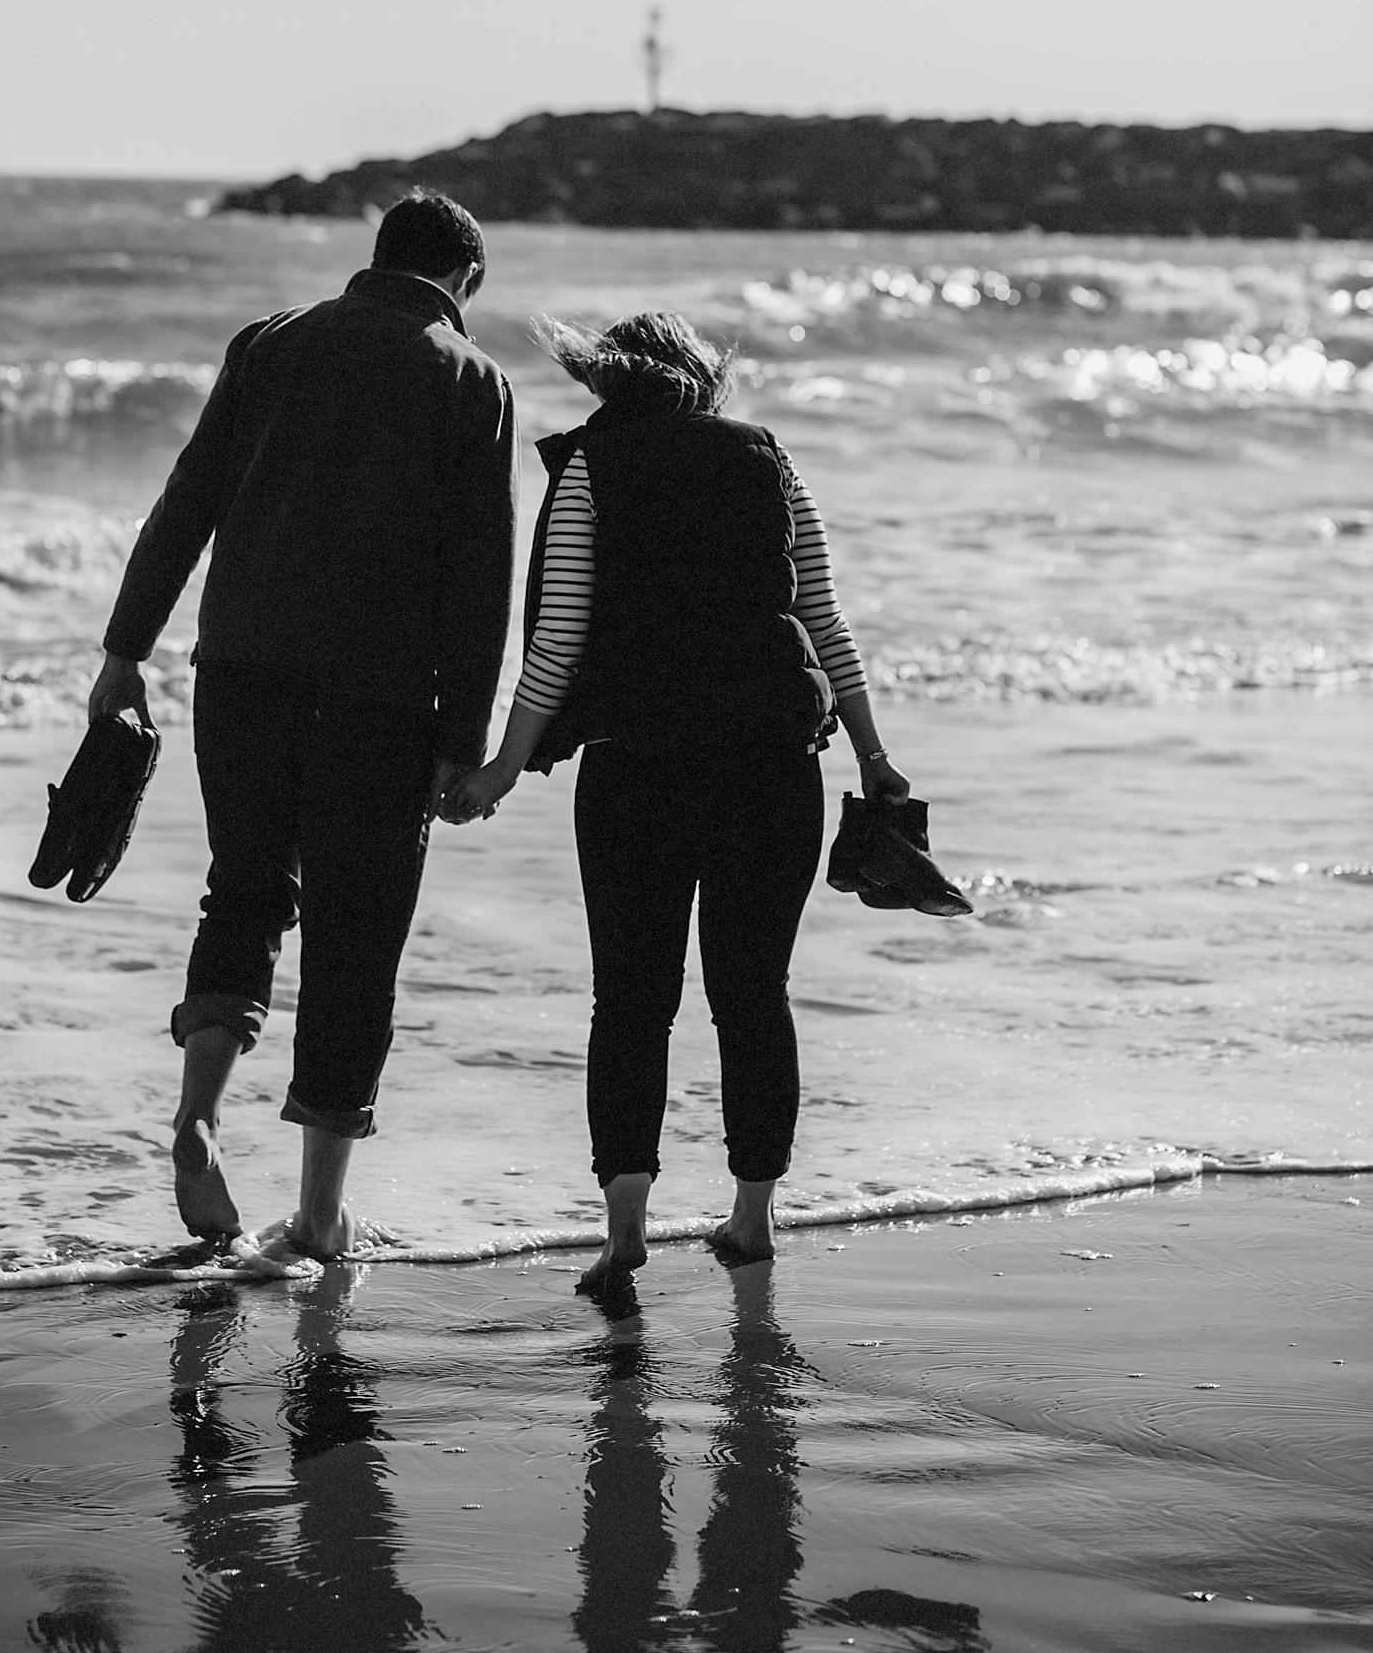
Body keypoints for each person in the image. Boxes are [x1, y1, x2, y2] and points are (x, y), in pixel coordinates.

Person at [89, 191, 517, 1259]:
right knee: (354, 940)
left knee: (241, 889)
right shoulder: (469, 379)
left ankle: (195, 1115)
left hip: (237, 675)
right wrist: (464, 741)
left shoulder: (269, 343)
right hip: (379, 699)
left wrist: (122, 652)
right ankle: (320, 1214)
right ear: (462, 283)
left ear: (375, 259)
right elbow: (479, 579)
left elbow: (185, 502)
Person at [444, 310, 906, 1294]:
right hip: (771, 765)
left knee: (632, 1002)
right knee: (751, 995)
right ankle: (749, 1219)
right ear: (704, 379)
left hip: (637, 771)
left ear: (608, 385)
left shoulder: (589, 469)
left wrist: (497, 769)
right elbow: (819, 614)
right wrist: (872, 755)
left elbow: (557, 643)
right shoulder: (763, 458)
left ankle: (621, 1233)